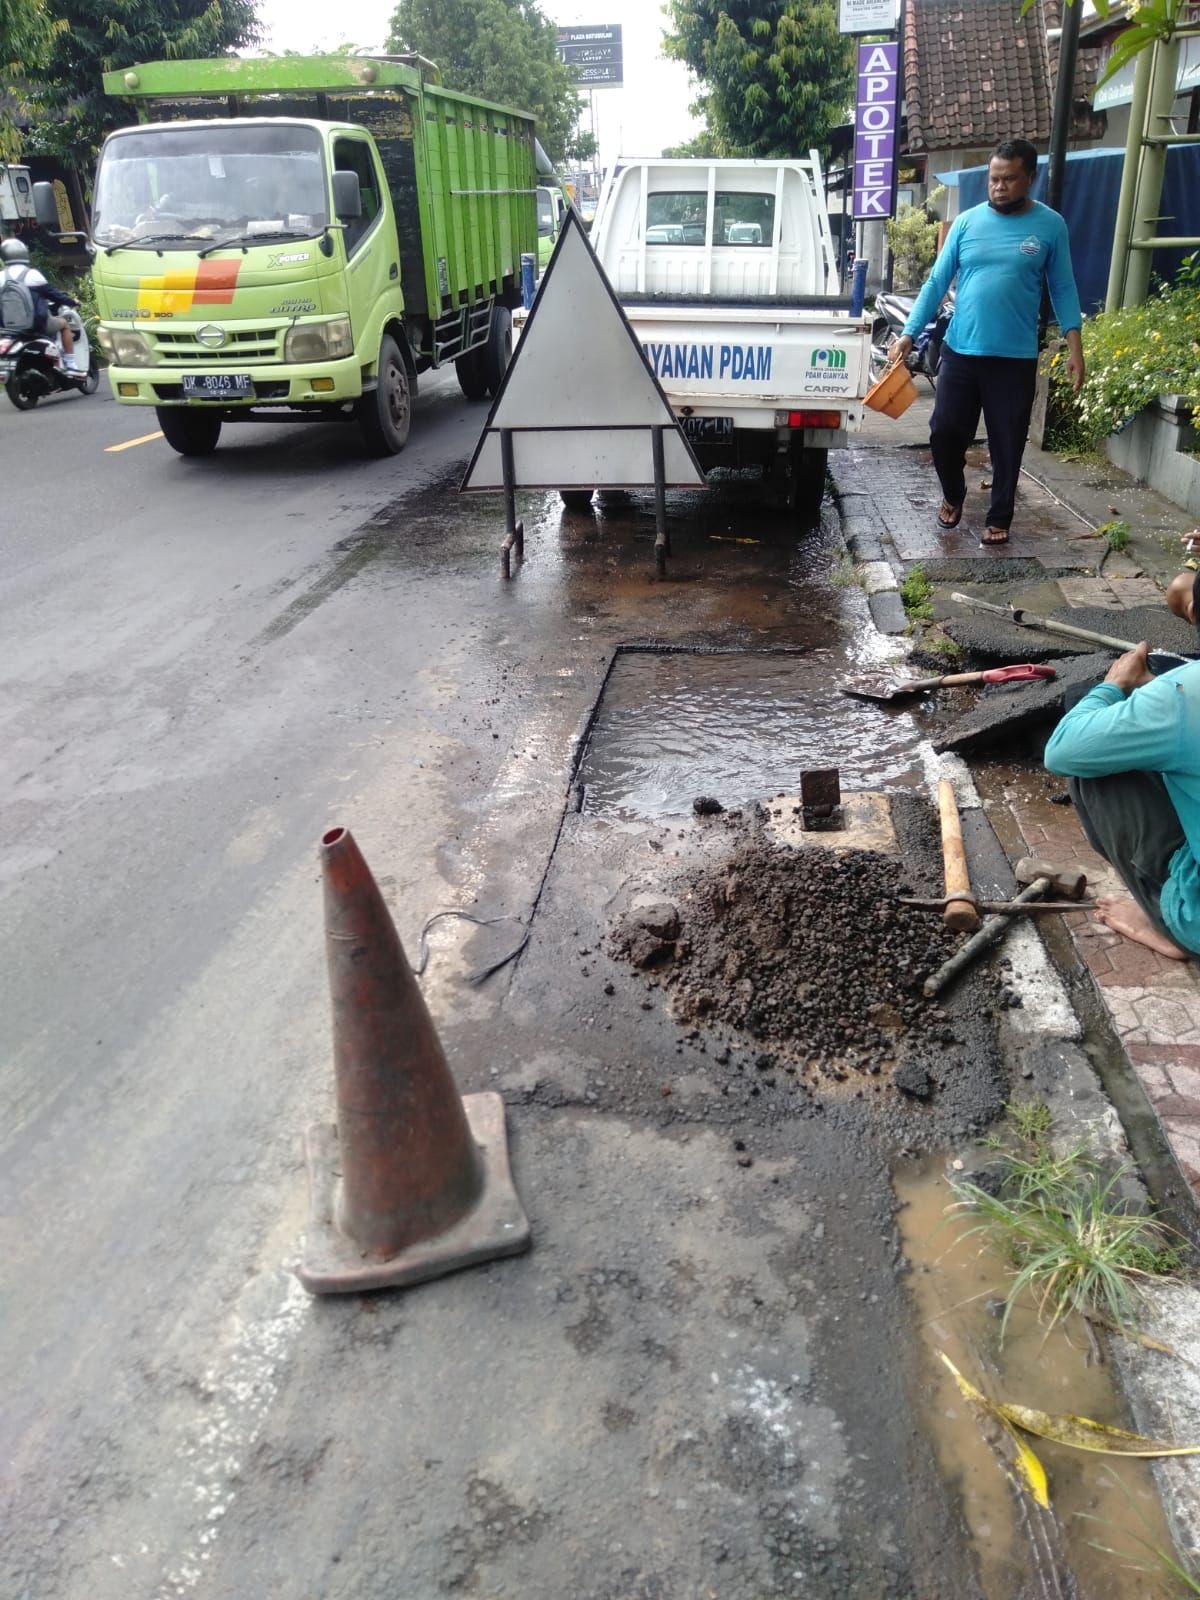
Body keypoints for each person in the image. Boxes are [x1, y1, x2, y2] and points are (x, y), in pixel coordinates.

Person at [892, 138, 1085, 547]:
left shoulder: (1050, 225)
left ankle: (999, 517)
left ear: (1030, 178)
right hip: (961, 352)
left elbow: (1064, 287)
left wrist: (1074, 347)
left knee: (1007, 443)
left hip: (1014, 359)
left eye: (1008, 179)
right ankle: (953, 494)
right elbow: (935, 282)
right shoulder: (966, 223)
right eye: (993, 179)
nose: (998, 187)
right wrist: (909, 333)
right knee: (944, 432)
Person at [1043, 572, 1200, 959]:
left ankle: (1166, 918)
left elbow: (1062, 751)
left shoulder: (1183, 693)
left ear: (1193, 612)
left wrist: (1114, 686)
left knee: (1090, 762)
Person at [0, 236, 78, 369]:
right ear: (24, 253)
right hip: (37, 325)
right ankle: (71, 362)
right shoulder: (32, 274)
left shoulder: (1, 277)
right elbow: (54, 295)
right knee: (64, 324)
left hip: (8, 329)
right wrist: (72, 301)